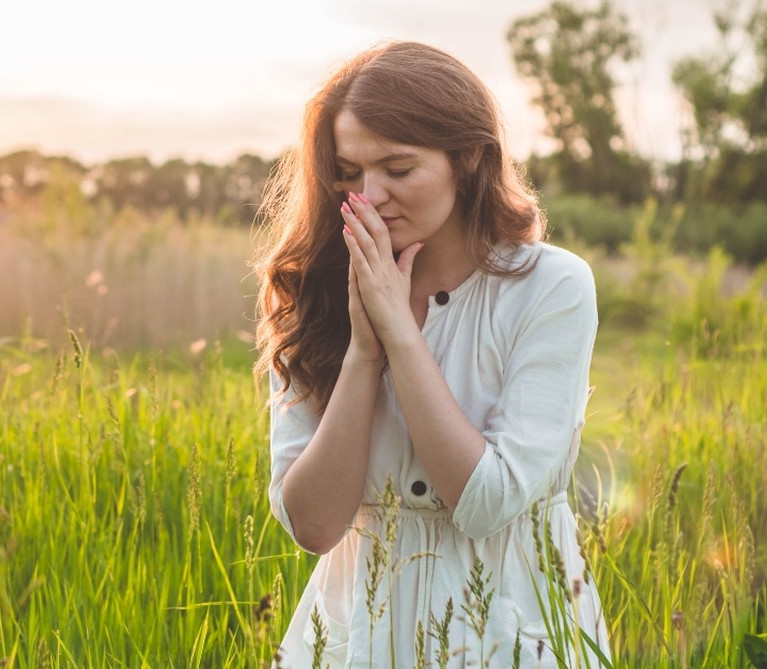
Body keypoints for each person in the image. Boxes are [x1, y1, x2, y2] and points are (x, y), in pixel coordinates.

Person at [253, 41, 610, 667]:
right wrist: (365, 354)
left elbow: (486, 503)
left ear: (468, 159)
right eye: (349, 171)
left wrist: (401, 335)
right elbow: (313, 526)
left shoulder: (550, 287)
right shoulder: (311, 294)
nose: (368, 196)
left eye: (398, 169)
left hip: (510, 621)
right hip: (357, 634)